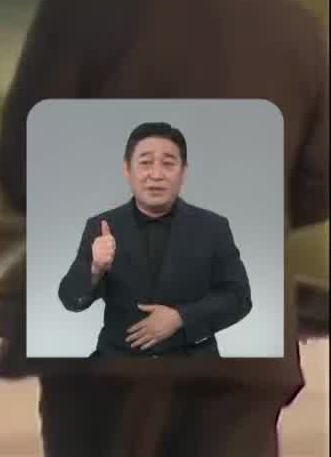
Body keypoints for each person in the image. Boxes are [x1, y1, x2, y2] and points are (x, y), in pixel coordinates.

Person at [0, 0, 331, 456]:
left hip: (99, 353)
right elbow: (318, 181)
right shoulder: (291, 24)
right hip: (237, 348)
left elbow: (22, 168)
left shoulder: (74, 9)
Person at [58, 122, 253, 360]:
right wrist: (95, 269)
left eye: (168, 164)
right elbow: (71, 299)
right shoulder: (101, 226)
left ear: (184, 172)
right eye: (145, 162)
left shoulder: (213, 227)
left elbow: (239, 297)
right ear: (127, 170)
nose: (156, 174)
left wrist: (181, 317)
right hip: (118, 364)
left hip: (193, 364)